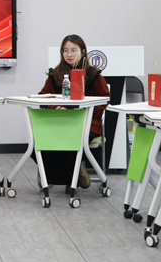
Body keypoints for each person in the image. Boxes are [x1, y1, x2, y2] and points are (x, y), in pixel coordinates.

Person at [35, 35, 110, 190]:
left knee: (72, 137)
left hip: (87, 123)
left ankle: (73, 178)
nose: (69, 54)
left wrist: (85, 109)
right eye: (65, 51)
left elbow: (104, 100)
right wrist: (56, 107)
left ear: (83, 52)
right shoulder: (55, 74)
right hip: (59, 122)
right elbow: (43, 96)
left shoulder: (94, 75)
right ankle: (72, 176)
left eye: (73, 50)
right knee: (40, 139)